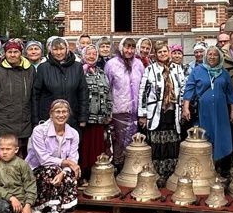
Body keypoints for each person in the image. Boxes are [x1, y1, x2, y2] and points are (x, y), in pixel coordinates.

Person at [182, 45, 233, 177]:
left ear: (219, 57)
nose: (212, 57)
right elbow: (189, 89)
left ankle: (223, 168)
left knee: (222, 136)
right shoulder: (197, 71)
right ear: (206, 56)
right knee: (206, 135)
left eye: (215, 55)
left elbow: (230, 92)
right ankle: (206, 167)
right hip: (204, 111)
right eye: (210, 54)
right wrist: (185, 107)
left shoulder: (224, 72)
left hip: (221, 111)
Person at [26, 100, 81, 213]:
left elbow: (73, 158)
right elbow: (43, 159)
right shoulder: (39, 131)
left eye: (65, 111)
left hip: (61, 168)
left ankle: (60, 206)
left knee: (71, 172)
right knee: (52, 170)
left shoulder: (73, 133)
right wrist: (65, 162)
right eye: (58, 111)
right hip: (38, 168)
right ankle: (42, 203)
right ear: (51, 114)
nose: (61, 115)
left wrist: (64, 171)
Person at [138, 43, 185, 182]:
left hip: (173, 111)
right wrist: (143, 114)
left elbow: (182, 89)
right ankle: (158, 174)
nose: (163, 54)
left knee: (172, 144)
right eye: (160, 52)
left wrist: (183, 108)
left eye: (165, 51)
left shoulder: (177, 69)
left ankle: (171, 174)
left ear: (169, 53)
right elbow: (143, 92)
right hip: (156, 113)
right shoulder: (150, 70)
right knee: (157, 145)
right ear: (156, 54)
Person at [0, 39, 36, 154]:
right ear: (5, 53)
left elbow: (33, 96)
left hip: (24, 121)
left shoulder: (30, 69)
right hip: (4, 122)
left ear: (21, 53)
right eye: (9, 52)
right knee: (5, 154)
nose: (12, 55)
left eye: (16, 51)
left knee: (21, 156)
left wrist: (34, 120)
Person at [104, 37, 144, 167]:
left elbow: (143, 87)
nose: (129, 50)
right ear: (121, 48)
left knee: (134, 141)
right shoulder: (111, 64)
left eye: (132, 48)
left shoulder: (138, 64)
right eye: (127, 47)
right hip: (119, 110)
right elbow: (107, 88)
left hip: (135, 111)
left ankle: (131, 168)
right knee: (119, 142)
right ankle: (118, 168)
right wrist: (108, 111)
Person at [31, 37, 85, 127]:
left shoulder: (77, 67)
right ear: (51, 50)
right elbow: (35, 95)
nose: (59, 53)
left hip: (71, 117)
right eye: (55, 49)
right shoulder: (43, 68)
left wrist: (83, 117)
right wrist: (36, 119)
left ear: (67, 49)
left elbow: (83, 93)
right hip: (48, 117)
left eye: (61, 49)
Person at [78, 43, 113, 177]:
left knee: (98, 148)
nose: (91, 56)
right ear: (83, 55)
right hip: (86, 119)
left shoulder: (101, 72)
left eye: (94, 54)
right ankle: (84, 175)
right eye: (88, 53)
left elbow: (108, 93)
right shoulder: (80, 71)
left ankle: (97, 174)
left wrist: (108, 113)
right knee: (85, 149)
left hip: (100, 118)